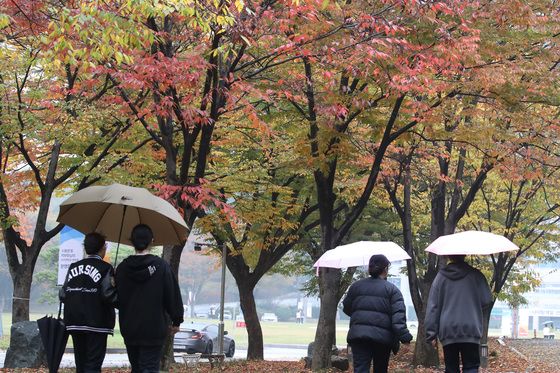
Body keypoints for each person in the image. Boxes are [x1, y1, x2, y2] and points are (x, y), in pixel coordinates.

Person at [115, 224, 184, 373]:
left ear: (131, 241)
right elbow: (172, 294)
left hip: (130, 327)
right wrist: (176, 319)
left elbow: (116, 298)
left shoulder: (121, 269)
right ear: (152, 241)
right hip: (154, 327)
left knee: (137, 368)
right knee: (150, 367)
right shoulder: (161, 267)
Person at [342, 254, 413, 373]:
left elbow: (347, 308)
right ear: (385, 269)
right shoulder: (392, 290)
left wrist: (361, 317)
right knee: (380, 369)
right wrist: (405, 337)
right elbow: (398, 319)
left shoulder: (356, 287)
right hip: (382, 339)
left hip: (359, 336)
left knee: (360, 369)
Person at [59, 232, 117, 373]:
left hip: (74, 321)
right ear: (102, 248)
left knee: (81, 363)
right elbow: (108, 295)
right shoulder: (106, 269)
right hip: (97, 323)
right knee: (93, 364)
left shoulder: (73, 267)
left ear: (85, 248)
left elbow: (63, 294)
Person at [425, 255, 493, 373]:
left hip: (448, 330)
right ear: (464, 255)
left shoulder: (440, 278)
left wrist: (431, 334)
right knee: (471, 367)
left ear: (449, 257)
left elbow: (433, 307)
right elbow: (487, 300)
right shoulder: (476, 275)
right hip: (471, 328)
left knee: (451, 368)